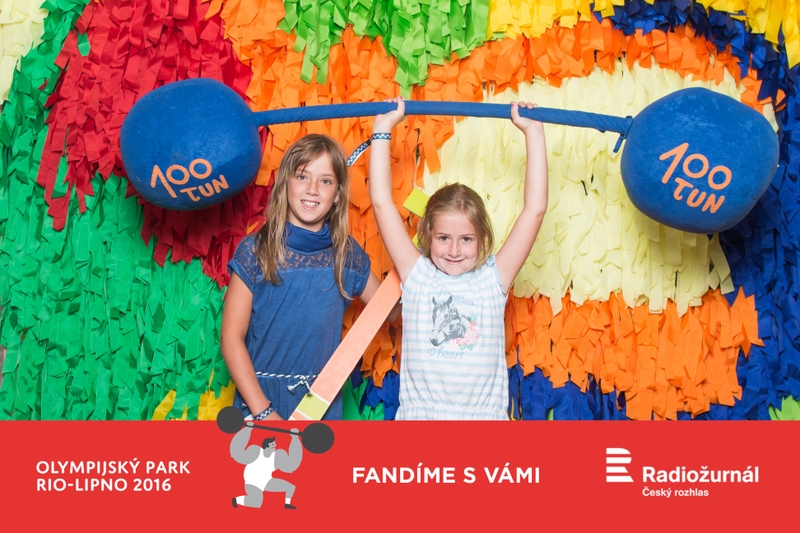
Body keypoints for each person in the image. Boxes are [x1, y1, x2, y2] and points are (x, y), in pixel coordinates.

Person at [368, 97, 549, 420]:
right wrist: (382, 130)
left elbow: (535, 210)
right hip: (421, 422)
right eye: (443, 239)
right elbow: (381, 202)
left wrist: (533, 133)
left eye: (466, 239)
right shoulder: (418, 276)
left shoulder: (492, 280)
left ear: (482, 239)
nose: (454, 250)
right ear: (428, 236)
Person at [222, 134, 398, 422]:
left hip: (320, 402)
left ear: (338, 194)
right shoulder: (255, 250)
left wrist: (419, 260)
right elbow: (231, 338)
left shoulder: (346, 254)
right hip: (259, 401)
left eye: (326, 181)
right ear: (286, 183)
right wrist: (264, 412)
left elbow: (391, 311)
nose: (313, 189)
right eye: (302, 176)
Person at [230, 424, 302, 509]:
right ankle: (236, 500)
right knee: (256, 503)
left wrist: (295, 438)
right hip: (253, 481)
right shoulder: (256, 452)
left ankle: (287, 504)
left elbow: (292, 464)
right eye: (273, 444)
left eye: (275, 444)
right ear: (267, 445)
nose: (275, 445)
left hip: (266, 481)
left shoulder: (276, 457)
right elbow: (238, 452)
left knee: (290, 487)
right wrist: (247, 430)